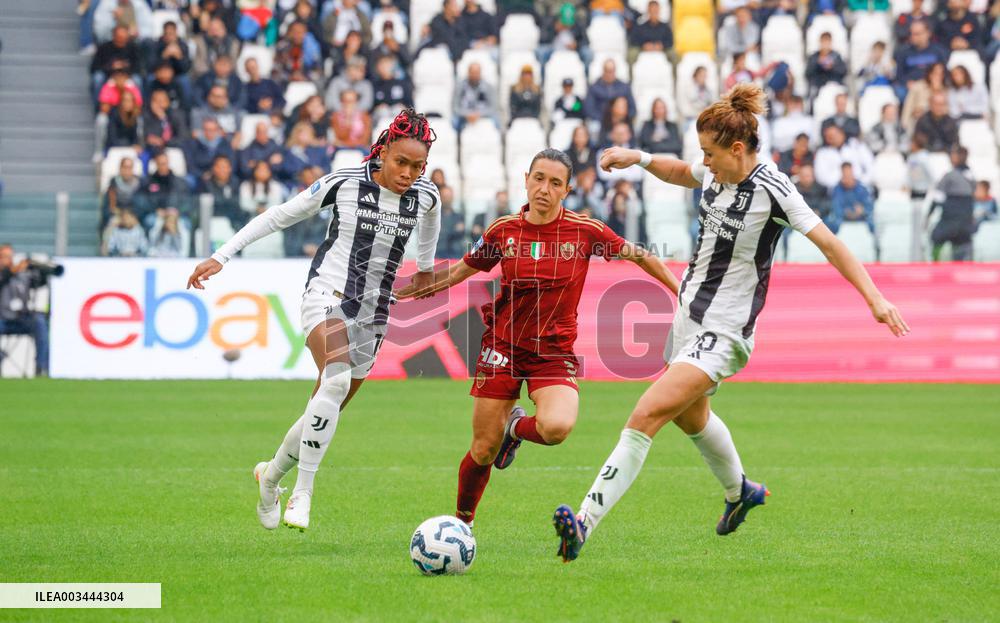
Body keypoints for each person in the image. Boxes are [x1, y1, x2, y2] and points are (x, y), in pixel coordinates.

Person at [551, 84, 909, 563]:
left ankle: (583, 524)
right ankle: (741, 492)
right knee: (691, 416)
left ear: (737, 150)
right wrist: (637, 156)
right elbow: (683, 171)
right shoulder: (717, 172)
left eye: (711, 153)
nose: (706, 161)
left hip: (725, 330)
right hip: (686, 317)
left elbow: (830, 243)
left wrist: (875, 298)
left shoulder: (774, 189)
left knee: (646, 416)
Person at [393, 148, 679, 529]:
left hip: (553, 352)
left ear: (567, 190)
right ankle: (463, 524)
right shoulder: (503, 230)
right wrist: (415, 288)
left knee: (557, 428)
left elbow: (640, 255)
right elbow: (463, 270)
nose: (544, 188)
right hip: (503, 347)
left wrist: (680, 291)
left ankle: (515, 427)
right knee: (483, 448)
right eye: (539, 178)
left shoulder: (585, 231)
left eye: (555, 183)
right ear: (526, 179)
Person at [186, 109, 441, 532]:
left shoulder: (426, 196)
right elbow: (279, 215)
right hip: (328, 295)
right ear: (383, 152)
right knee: (336, 380)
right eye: (401, 162)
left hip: (375, 311)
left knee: (323, 407)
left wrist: (428, 269)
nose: (408, 173)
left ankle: (269, 478)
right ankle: (303, 493)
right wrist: (221, 255)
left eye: (418, 166)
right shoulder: (344, 182)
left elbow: (430, 228)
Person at [0, 244, 50, 376]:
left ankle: (41, 368)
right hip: (2, 320)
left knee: (40, 322)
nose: (9, 260)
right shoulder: (7, 274)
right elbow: (3, 278)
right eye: (5, 257)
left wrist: (42, 270)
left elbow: (39, 283)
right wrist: (13, 271)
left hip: (21, 319)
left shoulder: (22, 275)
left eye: (11, 257)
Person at [927, 146, 976, 261]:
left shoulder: (949, 176)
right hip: (965, 217)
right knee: (961, 243)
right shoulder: (971, 176)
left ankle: (936, 265)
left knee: (936, 238)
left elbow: (938, 198)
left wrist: (929, 214)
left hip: (951, 216)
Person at [830, 163, 875, 234]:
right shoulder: (837, 189)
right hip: (843, 218)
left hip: (861, 217)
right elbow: (836, 208)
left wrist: (862, 210)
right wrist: (847, 212)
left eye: (849, 173)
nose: (847, 176)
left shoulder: (862, 189)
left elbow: (869, 206)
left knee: (872, 222)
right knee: (832, 222)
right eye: (845, 174)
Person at [805, 32, 847, 96]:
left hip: (834, 85)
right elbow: (808, 73)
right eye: (824, 42)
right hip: (818, 86)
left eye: (827, 42)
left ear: (831, 42)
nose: (825, 45)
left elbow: (843, 72)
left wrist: (832, 66)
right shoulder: (814, 57)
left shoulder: (837, 57)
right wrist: (818, 64)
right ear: (820, 42)